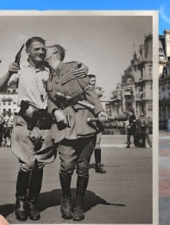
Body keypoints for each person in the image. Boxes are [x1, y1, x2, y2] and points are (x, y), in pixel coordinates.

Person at [0, 37, 67, 221]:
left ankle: (33, 201)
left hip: (44, 122)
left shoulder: (48, 71)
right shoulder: (20, 70)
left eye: (43, 49)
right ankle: (20, 201)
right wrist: (8, 73)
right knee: (27, 164)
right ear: (28, 51)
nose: (41, 52)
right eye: (36, 49)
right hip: (25, 119)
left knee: (39, 164)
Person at [45, 44, 107, 221]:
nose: (43, 51)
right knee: (66, 167)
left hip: (85, 124)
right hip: (64, 126)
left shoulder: (73, 68)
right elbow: (48, 101)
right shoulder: (48, 78)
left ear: (55, 52)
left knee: (83, 168)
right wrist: (54, 111)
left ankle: (79, 204)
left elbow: (89, 91)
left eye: (47, 49)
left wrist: (99, 111)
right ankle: (66, 197)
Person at [88, 74, 106, 173]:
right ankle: (82, 163)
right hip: (88, 120)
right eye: (91, 81)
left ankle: (98, 165)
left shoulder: (97, 92)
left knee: (98, 143)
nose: (93, 82)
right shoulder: (84, 92)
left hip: (97, 120)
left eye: (94, 80)